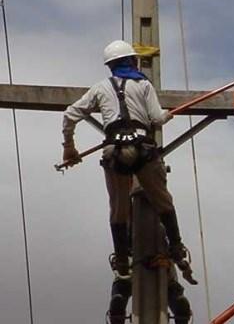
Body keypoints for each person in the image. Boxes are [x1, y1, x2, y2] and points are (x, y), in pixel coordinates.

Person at [61, 40, 196, 284]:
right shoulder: (144, 84)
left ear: (110, 66)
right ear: (132, 61)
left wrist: (69, 147)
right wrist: (165, 116)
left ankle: (123, 260)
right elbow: (156, 118)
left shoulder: (100, 88)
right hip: (143, 149)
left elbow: (70, 114)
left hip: (115, 151)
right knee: (163, 201)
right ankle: (176, 247)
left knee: (119, 210)